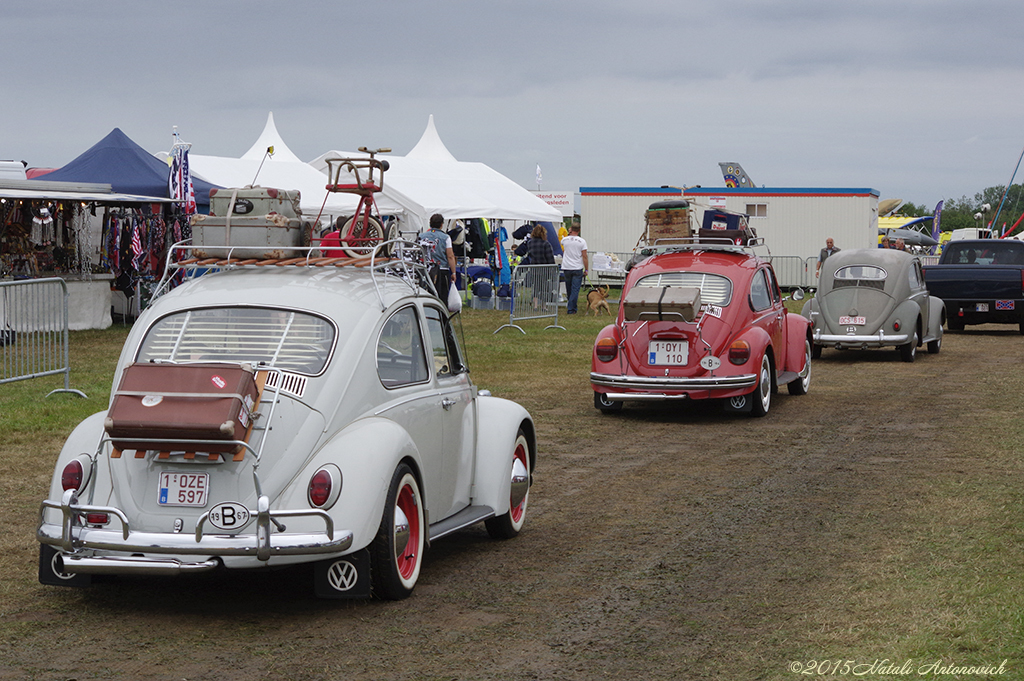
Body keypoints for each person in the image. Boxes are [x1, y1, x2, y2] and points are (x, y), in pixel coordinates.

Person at [418, 213, 457, 298]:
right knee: (441, 294)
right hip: (441, 269)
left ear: (430, 223)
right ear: (442, 224)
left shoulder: (421, 236)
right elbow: (450, 256)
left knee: (426, 293)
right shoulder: (446, 237)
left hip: (425, 269)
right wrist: (453, 272)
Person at [560, 224, 588, 314]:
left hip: (566, 267)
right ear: (579, 230)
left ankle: (572, 306)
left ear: (571, 229)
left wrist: (569, 232)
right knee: (575, 289)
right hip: (577, 267)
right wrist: (586, 269)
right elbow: (584, 256)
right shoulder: (582, 241)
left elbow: (562, 243)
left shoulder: (565, 240)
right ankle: (571, 308)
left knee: (569, 288)